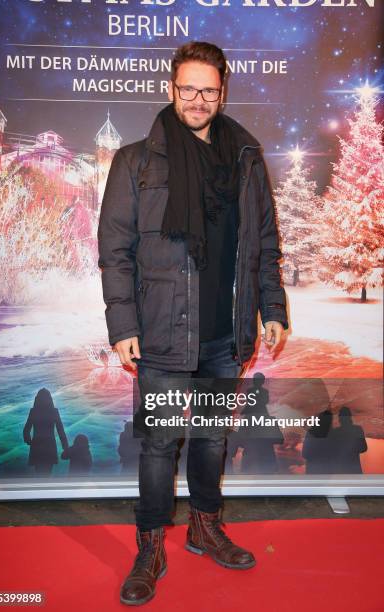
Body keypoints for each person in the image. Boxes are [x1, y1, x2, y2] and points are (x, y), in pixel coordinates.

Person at [98, 41, 289, 606]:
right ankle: (150, 545)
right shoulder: (134, 161)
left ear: (223, 91)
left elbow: (266, 245)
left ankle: (205, 527)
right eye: (188, 89)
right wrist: (121, 323)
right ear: (170, 89)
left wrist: (272, 308)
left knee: (210, 439)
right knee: (159, 444)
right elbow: (116, 253)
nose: (198, 100)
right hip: (158, 334)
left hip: (225, 334)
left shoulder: (246, 157)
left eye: (209, 90)